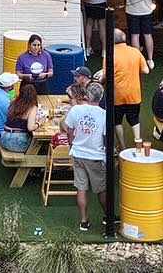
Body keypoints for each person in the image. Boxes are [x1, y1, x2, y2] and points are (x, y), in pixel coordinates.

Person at [62, 84, 108, 233]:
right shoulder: (103, 114)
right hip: (95, 155)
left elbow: (68, 128)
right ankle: (108, 215)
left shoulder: (76, 110)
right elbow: (105, 137)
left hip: (78, 153)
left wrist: (71, 145)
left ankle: (83, 220)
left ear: (87, 95)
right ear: (100, 98)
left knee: (81, 188)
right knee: (101, 189)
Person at [100, 29, 147, 146]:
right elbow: (145, 70)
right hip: (134, 94)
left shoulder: (109, 55)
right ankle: (138, 142)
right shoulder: (135, 52)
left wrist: (100, 81)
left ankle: (122, 146)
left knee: (117, 121)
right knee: (134, 119)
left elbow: (105, 76)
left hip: (117, 94)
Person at [0, 83, 45, 153]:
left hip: (4, 139)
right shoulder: (32, 107)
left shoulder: (13, 103)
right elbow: (30, 127)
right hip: (18, 144)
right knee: (41, 144)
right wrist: (39, 123)